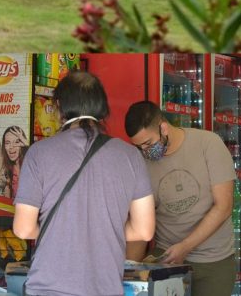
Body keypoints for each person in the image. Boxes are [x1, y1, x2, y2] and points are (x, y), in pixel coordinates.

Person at [13, 71, 155, 296]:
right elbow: (144, 230)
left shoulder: (38, 154)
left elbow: (23, 228)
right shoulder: (130, 156)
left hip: (49, 288)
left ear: (59, 106)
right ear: (102, 108)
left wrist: (66, 230)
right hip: (105, 288)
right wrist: (102, 229)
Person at [125, 100, 236, 296]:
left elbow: (224, 207)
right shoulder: (142, 162)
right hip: (166, 258)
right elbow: (139, 221)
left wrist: (185, 247)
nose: (145, 152)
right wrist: (129, 270)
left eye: (148, 144)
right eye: (139, 147)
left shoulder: (208, 144)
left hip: (213, 260)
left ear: (163, 128)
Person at [2, 125, 28, 199]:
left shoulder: (30, 165)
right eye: (7, 143)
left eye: (16, 142)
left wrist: (27, 145)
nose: (11, 146)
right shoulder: (6, 172)